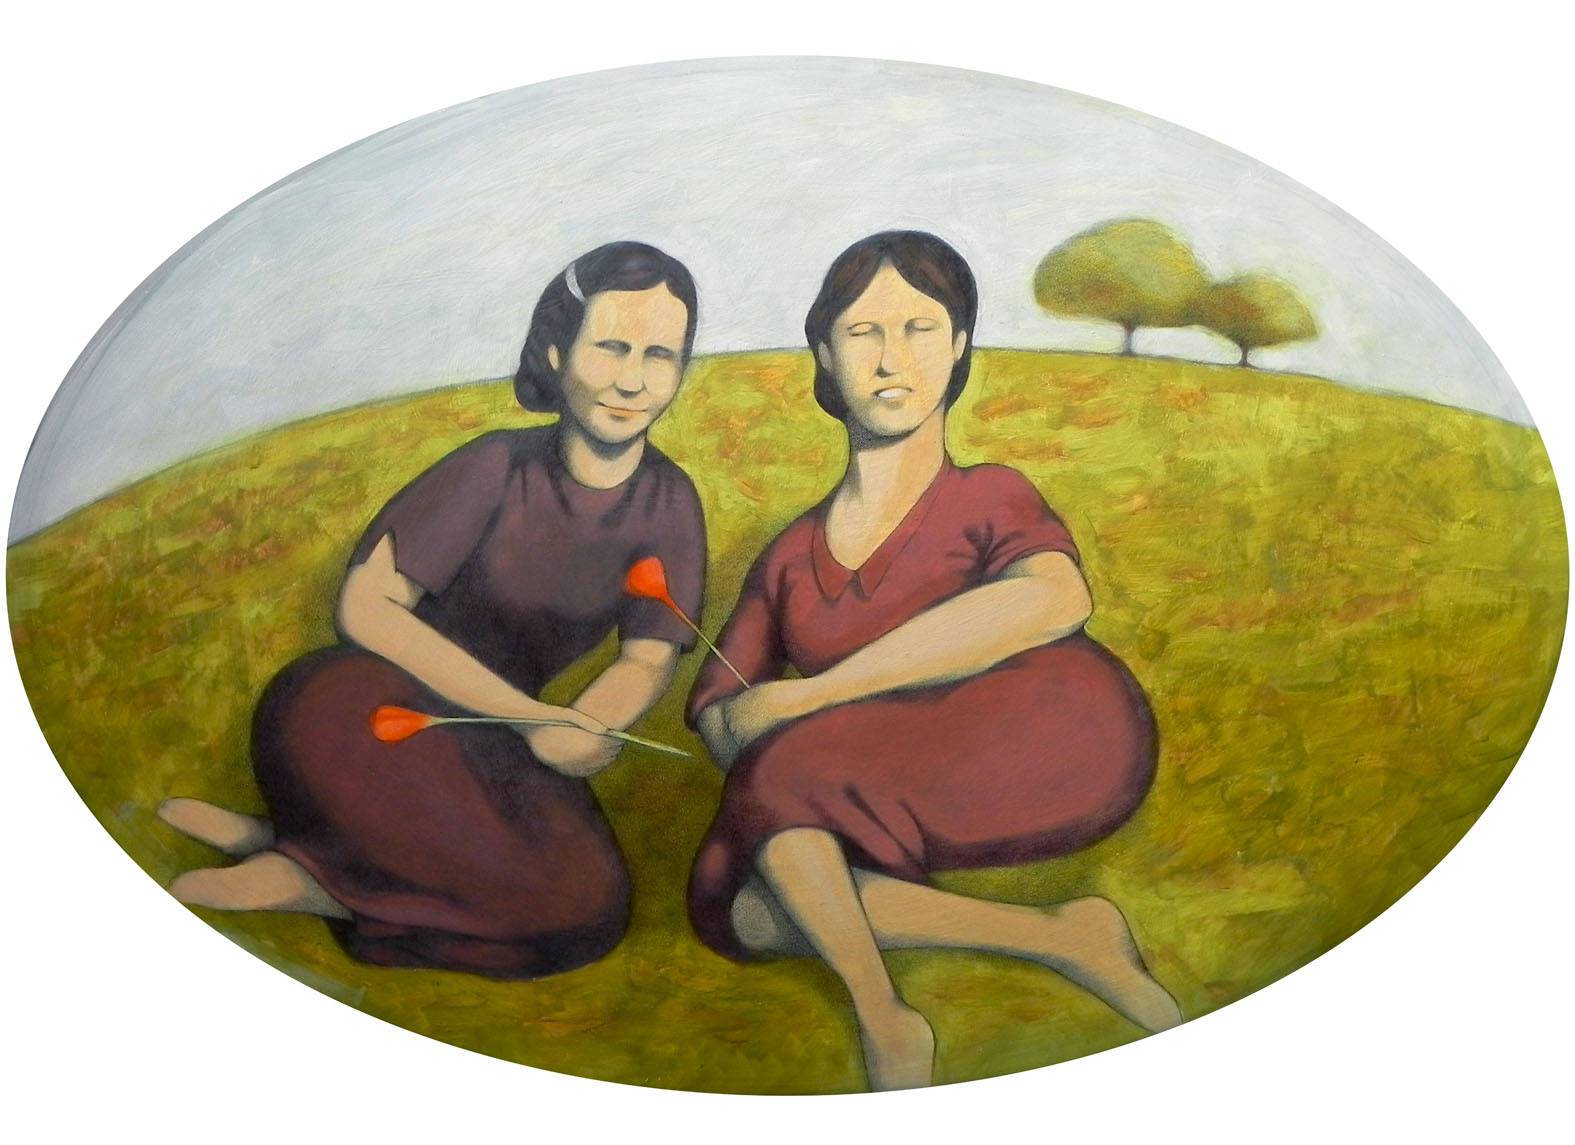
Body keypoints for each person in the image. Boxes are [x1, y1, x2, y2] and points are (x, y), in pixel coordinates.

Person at [686, 231, 1181, 1090]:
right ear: (823, 354)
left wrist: (813, 696)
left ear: (957, 347)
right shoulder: (790, 555)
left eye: (919, 328)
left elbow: (1054, 597)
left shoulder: (989, 493)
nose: (891, 359)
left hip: (1058, 732)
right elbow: (718, 710)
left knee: (781, 774)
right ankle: (1062, 935)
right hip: (891, 772)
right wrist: (743, 716)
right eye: (862, 332)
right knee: (741, 906)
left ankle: (884, 1018)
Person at [158, 241, 707, 979]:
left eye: (659, 355)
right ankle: (308, 857)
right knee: (326, 706)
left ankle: (313, 875)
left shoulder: (670, 501)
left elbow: (646, 657)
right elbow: (367, 607)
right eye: (611, 347)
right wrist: (527, 714)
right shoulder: (496, 463)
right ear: (555, 352)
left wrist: (586, 724)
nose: (632, 380)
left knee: (589, 910)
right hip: (379, 704)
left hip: (500, 752)